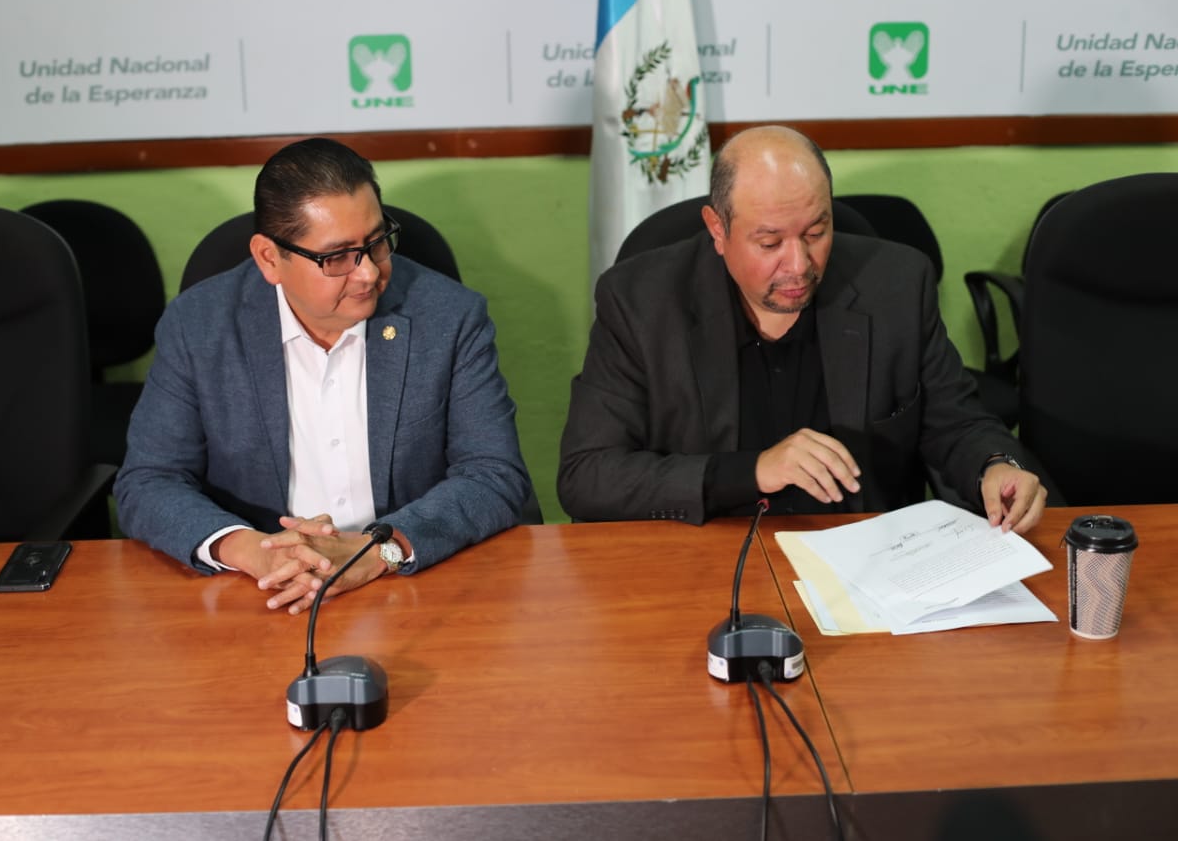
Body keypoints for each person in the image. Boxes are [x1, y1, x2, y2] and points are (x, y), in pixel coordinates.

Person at [558, 125, 1047, 533]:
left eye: (816, 233)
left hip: (865, 561)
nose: (800, 265)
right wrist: (751, 472)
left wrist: (996, 465)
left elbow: (956, 422)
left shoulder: (896, 284)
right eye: (769, 242)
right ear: (717, 230)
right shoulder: (640, 301)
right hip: (706, 555)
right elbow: (588, 475)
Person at [115, 137, 531, 613]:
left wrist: (378, 552)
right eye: (337, 258)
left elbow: (492, 473)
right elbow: (149, 480)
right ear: (270, 258)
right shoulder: (199, 326)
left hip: (411, 587)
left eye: (377, 243)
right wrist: (253, 550)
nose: (369, 274)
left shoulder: (450, 317)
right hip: (258, 593)